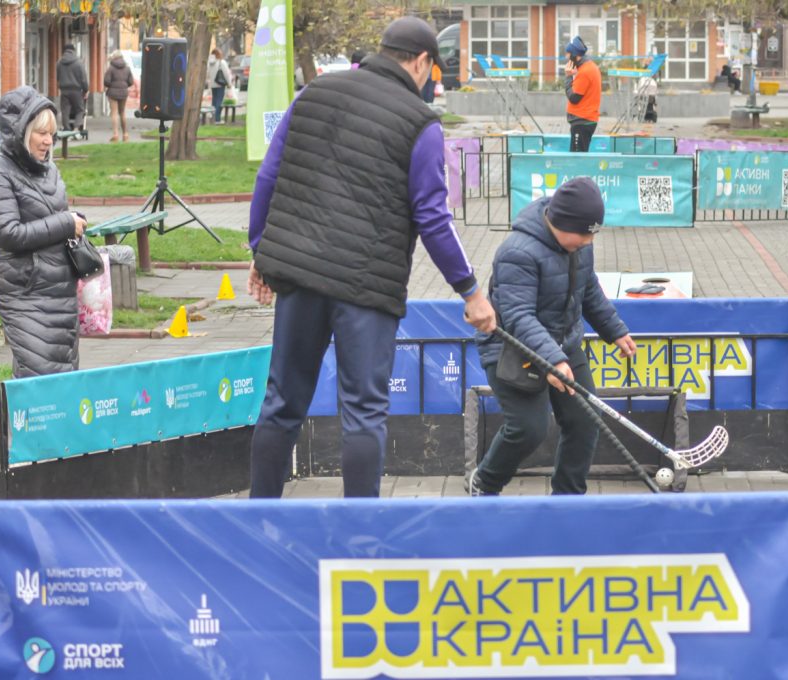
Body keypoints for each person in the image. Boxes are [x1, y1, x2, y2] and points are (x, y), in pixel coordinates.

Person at [246, 16, 496, 499]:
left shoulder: (313, 94)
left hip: (300, 276)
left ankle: (260, 519)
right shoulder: (420, 124)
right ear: (420, 62)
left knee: (281, 403)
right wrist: (470, 290)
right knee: (363, 413)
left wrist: (262, 251)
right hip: (365, 289)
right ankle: (361, 530)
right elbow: (433, 218)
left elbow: (269, 177)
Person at [470, 178, 635, 496]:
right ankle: (486, 482)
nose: (589, 241)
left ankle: (568, 499)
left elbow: (588, 289)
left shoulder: (579, 244)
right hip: (512, 348)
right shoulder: (516, 253)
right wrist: (553, 361)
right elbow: (518, 317)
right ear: (561, 223)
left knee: (585, 419)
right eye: (585, 233)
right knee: (529, 429)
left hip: (562, 343)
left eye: (593, 233)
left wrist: (615, 330)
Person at [0, 87, 88, 378]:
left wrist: (74, 222)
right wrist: (65, 223)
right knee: (40, 373)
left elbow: (53, 217)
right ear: (21, 131)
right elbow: (7, 234)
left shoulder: (48, 169)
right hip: (25, 290)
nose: (48, 141)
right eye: (41, 133)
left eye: (52, 133)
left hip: (60, 288)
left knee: (61, 372)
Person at [563, 36, 601, 152]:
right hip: (584, 121)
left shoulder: (585, 71)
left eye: (568, 54)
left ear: (575, 55)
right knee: (579, 156)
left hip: (582, 121)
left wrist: (568, 77)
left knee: (577, 158)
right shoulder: (588, 67)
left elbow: (574, 97)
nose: (566, 57)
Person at [56, 44, 89, 134]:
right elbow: (83, 78)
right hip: (76, 90)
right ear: (74, 51)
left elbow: (58, 77)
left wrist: (60, 86)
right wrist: (85, 90)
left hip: (64, 90)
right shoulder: (78, 63)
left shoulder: (59, 62)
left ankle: (66, 129)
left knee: (65, 110)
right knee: (80, 110)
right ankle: (76, 128)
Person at [103, 50, 135, 142]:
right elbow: (131, 81)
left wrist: (111, 85)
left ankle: (115, 134)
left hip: (112, 93)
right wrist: (124, 86)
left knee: (114, 113)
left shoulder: (111, 68)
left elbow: (106, 81)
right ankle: (125, 134)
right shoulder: (127, 68)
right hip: (123, 92)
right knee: (122, 112)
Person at [206, 48, 234, 124]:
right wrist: (229, 84)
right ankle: (217, 119)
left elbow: (207, 74)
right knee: (219, 102)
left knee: (214, 101)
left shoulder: (209, 63)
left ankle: (213, 118)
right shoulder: (221, 62)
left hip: (213, 85)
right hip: (220, 84)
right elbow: (227, 74)